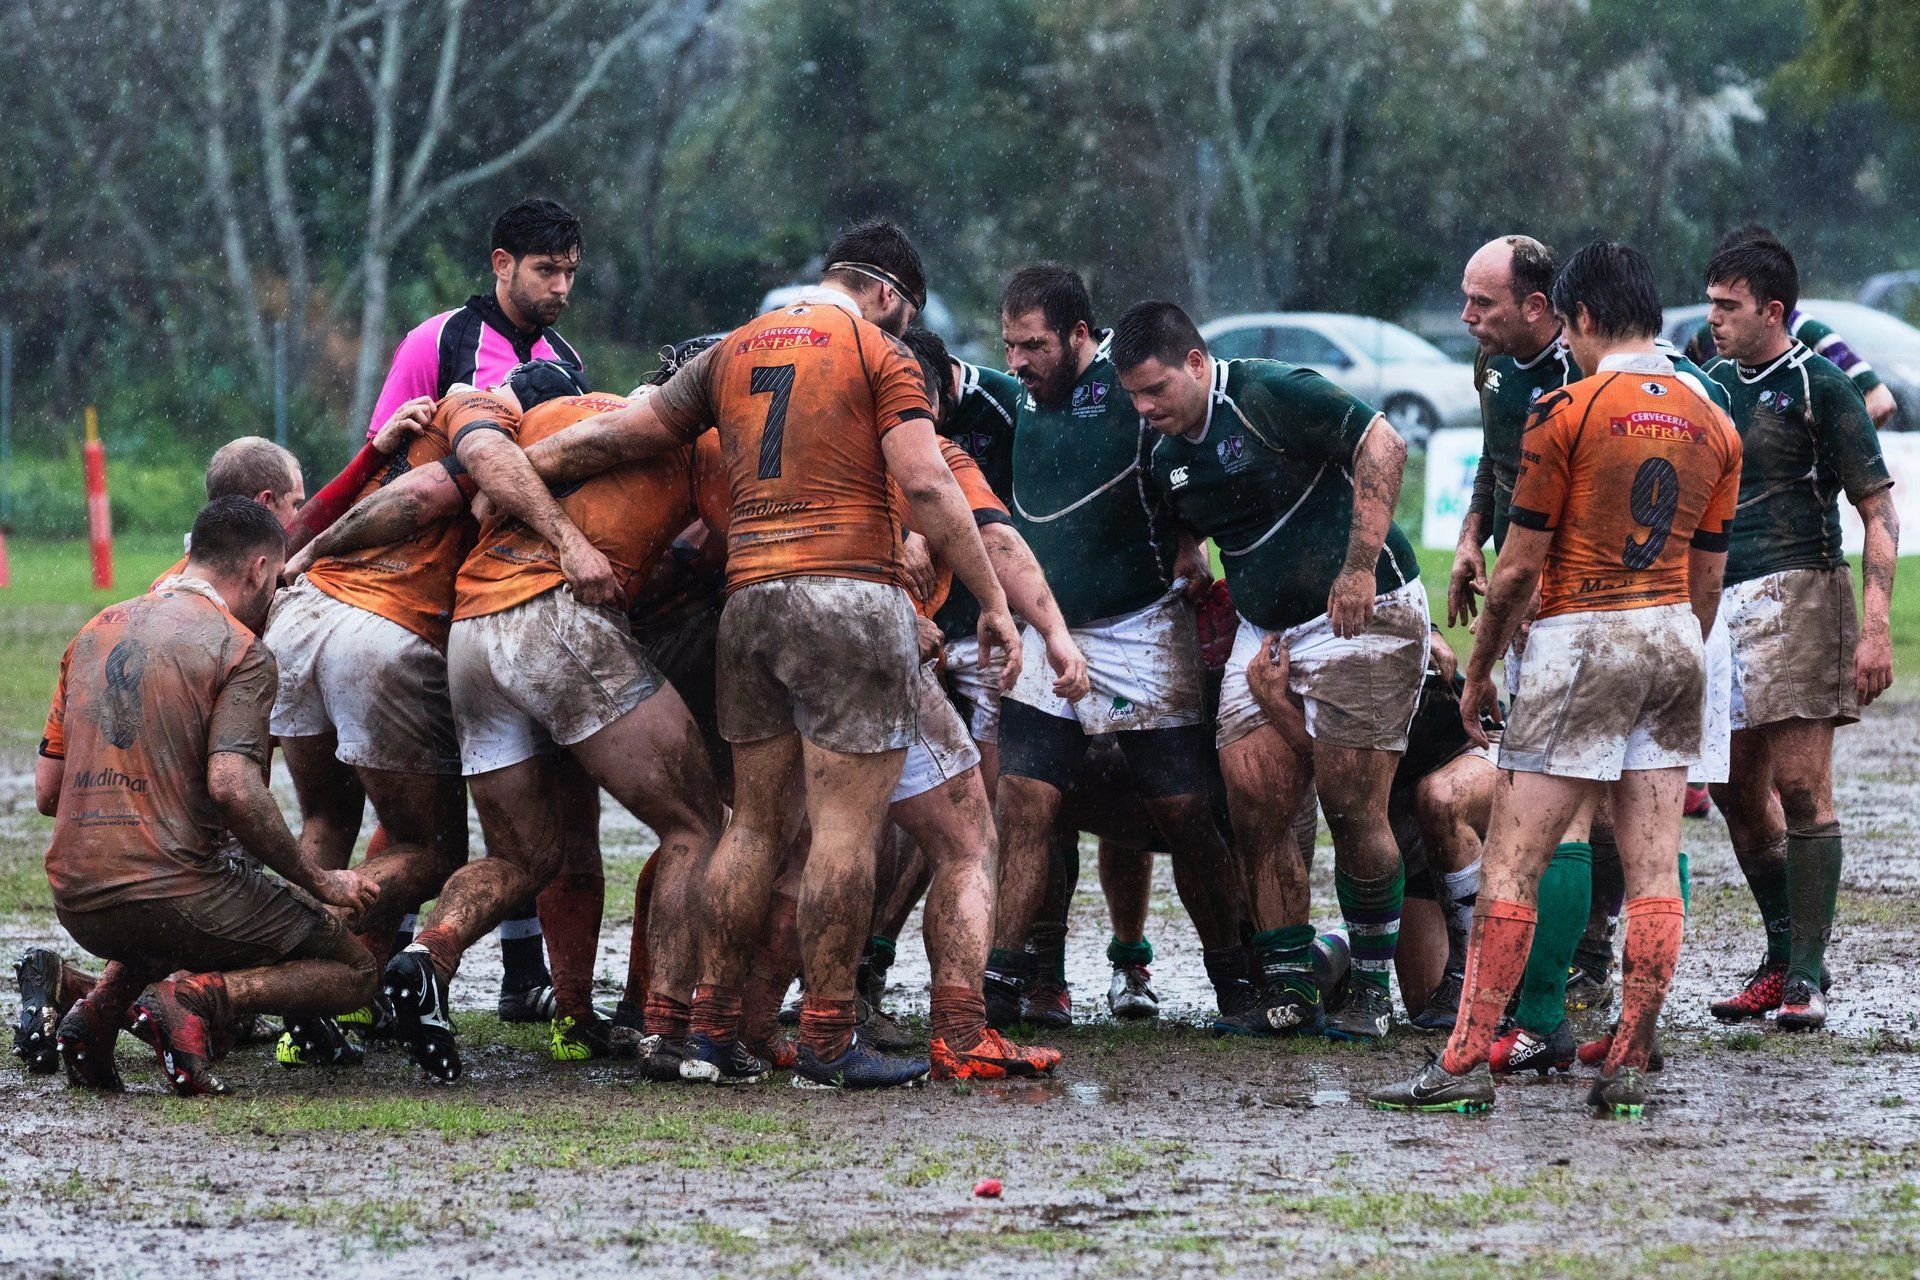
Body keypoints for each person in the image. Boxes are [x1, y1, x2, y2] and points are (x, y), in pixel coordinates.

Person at [514, 218, 1033, 1089]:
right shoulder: (881, 353)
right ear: (890, 297)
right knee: (843, 830)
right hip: (847, 597)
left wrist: (510, 476)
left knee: (752, 825)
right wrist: (993, 604)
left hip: (749, 605)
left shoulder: (735, 351)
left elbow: (624, 434)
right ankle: (830, 1036)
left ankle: (711, 1032)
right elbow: (926, 479)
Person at [1371, 239, 1742, 1117]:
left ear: (1575, 317)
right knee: (1654, 864)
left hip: (1583, 636)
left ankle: (1462, 1065)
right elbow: (1710, 577)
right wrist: (1675, 643)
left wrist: (1484, 666)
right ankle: (1628, 1060)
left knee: (1514, 860)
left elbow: (1518, 567)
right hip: (1673, 636)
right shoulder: (1715, 419)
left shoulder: (1567, 409)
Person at [272, 363, 619, 1065]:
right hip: (384, 627)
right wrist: (319, 543)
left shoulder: (427, 420)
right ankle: (295, 981)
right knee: (436, 850)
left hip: (302, 619)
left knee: (332, 822)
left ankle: (298, 994)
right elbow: (420, 497)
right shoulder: (489, 418)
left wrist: (310, 551)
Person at [1113, 299, 1424, 1040]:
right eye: (1132, 395)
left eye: (1155, 389)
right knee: (1253, 801)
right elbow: (1183, 512)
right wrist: (1188, 554)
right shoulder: (1165, 456)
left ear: (1195, 362)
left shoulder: (1266, 392)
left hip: (1361, 612)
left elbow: (1384, 445)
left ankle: (1371, 989)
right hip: (1267, 632)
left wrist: (1355, 568)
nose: (1145, 407)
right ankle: (1290, 989)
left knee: (1352, 806)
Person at [37, 498, 381, 1096]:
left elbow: (47, 793)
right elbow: (233, 788)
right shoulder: (240, 649)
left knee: (169, 894)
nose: (274, 596)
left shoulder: (93, 631)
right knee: (354, 970)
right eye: (275, 582)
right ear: (256, 569)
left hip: (76, 895)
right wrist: (321, 882)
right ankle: (195, 999)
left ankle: (94, 1014)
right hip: (171, 890)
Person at [988, 266, 1245, 1032]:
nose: (1019, 361)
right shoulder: (1014, 403)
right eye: (1009, 345)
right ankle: (1006, 981)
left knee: (1186, 811)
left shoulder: (1133, 399)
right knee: (1025, 801)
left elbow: (1202, 465)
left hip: (1142, 631)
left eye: (1034, 344)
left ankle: (1234, 978)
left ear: (1078, 335)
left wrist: (1190, 544)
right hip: (1050, 632)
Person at [357, 195, 591, 1016]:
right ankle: (373, 978)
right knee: (428, 807)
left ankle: (526, 978)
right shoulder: (441, 339)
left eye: (570, 271)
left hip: (509, 599)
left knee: (522, 792)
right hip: (424, 600)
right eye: (545, 270)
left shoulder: (566, 359)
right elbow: (386, 462)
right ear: (501, 264)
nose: (561, 286)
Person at [1700, 234, 1900, 1031]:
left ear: (1772, 311)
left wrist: (1877, 626)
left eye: (1728, 307)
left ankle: (1807, 979)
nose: (1712, 319)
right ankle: (1781, 956)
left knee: (1801, 788)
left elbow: (1878, 513)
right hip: (1721, 604)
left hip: (1801, 593)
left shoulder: (1821, 387)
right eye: (1709, 303)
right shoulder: (1709, 386)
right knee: (1731, 790)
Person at [1681, 225, 1899, 428]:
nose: (1714, 316)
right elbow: (1678, 404)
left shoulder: (1807, 332)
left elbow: (1880, 402)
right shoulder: (1706, 338)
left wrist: (1821, 449)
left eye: (1730, 302)